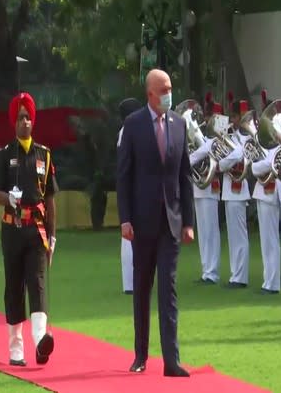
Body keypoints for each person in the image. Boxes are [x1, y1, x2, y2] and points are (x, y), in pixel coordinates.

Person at [116, 68, 194, 377]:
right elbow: (123, 176)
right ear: (150, 93)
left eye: (170, 89)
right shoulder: (133, 125)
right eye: (163, 90)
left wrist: (188, 221)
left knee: (168, 290)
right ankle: (140, 355)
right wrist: (125, 219)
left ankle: (171, 360)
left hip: (171, 221)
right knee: (142, 288)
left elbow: (185, 176)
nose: (168, 94)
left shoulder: (179, 125)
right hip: (142, 220)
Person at [0, 92, 57, 366]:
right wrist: (8, 198)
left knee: (38, 283)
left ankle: (41, 339)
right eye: (20, 117)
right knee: (14, 286)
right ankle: (15, 348)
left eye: (29, 117)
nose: (25, 122)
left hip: (37, 230)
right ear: (13, 122)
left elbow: (51, 199)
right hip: (12, 229)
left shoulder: (44, 154)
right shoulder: (4, 154)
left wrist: (52, 238)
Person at [188, 93, 222, 284]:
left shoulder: (218, 136)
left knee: (211, 230)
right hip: (199, 187)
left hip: (210, 188)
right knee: (202, 231)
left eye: (210, 117)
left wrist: (186, 159)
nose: (207, 120)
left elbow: (207, 149)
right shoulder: (205, 136)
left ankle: (213, 271)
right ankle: (206, 270)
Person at [251, 91, 281, 294]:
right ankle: (267, 280)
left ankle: (272, 283)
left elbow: (269, 164)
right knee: (265, 241)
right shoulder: (264, 140)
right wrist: (261, 166)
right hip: (262, 191)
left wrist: (261, 166)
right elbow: (254, 168)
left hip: (271, 192)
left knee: (271, 240)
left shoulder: (275, 140)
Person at [219, 93, 252, 288]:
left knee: (239, 234)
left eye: (235, 116)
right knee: (233, 236)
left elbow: (238, 155)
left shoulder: (248, 136)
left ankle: (241, 277)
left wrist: (221, 164)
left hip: (239, 190)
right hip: (229, 189)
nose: (232, 120)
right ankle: (235, 274)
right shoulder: (230, 135)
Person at [117, 97, 143, 294]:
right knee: (131, 237)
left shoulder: (124, 131)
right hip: (135, 189)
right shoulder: (129, 131)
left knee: (128, 239)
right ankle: (133, 283)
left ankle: (130, 283)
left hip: (131, 188)